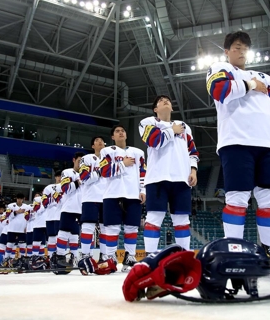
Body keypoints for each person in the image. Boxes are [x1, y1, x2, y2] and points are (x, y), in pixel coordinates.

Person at [205, 31, 270, 272]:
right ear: (226, 51)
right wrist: (252, 85)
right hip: (236, 142)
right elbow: (219, 91)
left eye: (245, 47)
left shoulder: (265, 76)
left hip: (267, 144)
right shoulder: (220, 67)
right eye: (236, 47)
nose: (241, 51)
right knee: (238, 198)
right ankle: (233, 251)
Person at [138, 95, 199, 253]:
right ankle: (150, 257)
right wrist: (172, 130)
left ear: (172, 108)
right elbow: (154, 141)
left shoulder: (184, 126)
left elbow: (192, 151)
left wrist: (193, 170)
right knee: (154, 218)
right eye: (160, 101)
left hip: (181, 178)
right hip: (157, 178)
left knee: (182, 220)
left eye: (168, 101)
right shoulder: (147, 123)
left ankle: (183, 257)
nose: (165, 101)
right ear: (155, 109)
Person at [98, 125, 146, 272]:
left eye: (123, 131)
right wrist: (122, 164)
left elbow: (143, 172)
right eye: (117, 131)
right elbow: (104, 171)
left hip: (133, 194)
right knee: (112, 228)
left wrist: (143, 190)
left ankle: (130, 257)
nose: (121, 133)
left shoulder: (138, 152)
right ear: (112, 137)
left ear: (126, 135)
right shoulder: (106, 151)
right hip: (112, 193)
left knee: (132, 227)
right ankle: (110, 257)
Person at [78, 136, 108, 267]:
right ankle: (85, 255)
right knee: (88, 227)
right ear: (93, 146)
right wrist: (100, 172)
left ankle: (105, 257)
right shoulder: (87, 159)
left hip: (107, 197)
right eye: (96, 140)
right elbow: (84, 177)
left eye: (102, 140)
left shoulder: (109, 159)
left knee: (106, 229)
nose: (100, 141)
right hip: (90, 197)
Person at [55, 152, 85, 270]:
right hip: (69, 208)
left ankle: (74, 257)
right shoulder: (67, 172)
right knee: (63, 233)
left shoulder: (87, 174)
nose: (81, 164)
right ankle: (60, 257)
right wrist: (77, 182)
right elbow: (65, 189)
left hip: (81, 209)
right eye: (79, 161)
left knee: (75, 236)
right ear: (74, 160)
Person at [5, 193, 31, 266]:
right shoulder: (10, 206)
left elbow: (28, 217)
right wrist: (17, 212)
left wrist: (27, 226)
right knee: (10, 244)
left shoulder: (26, 207)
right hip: (12, 228)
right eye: (18, 198)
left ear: (23, 199)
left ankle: (22, 259)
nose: (19, 200)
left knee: (22, 245)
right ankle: (6, 259)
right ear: (16, 199)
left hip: (22, 229)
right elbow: (7, 215)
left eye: (21, 199)